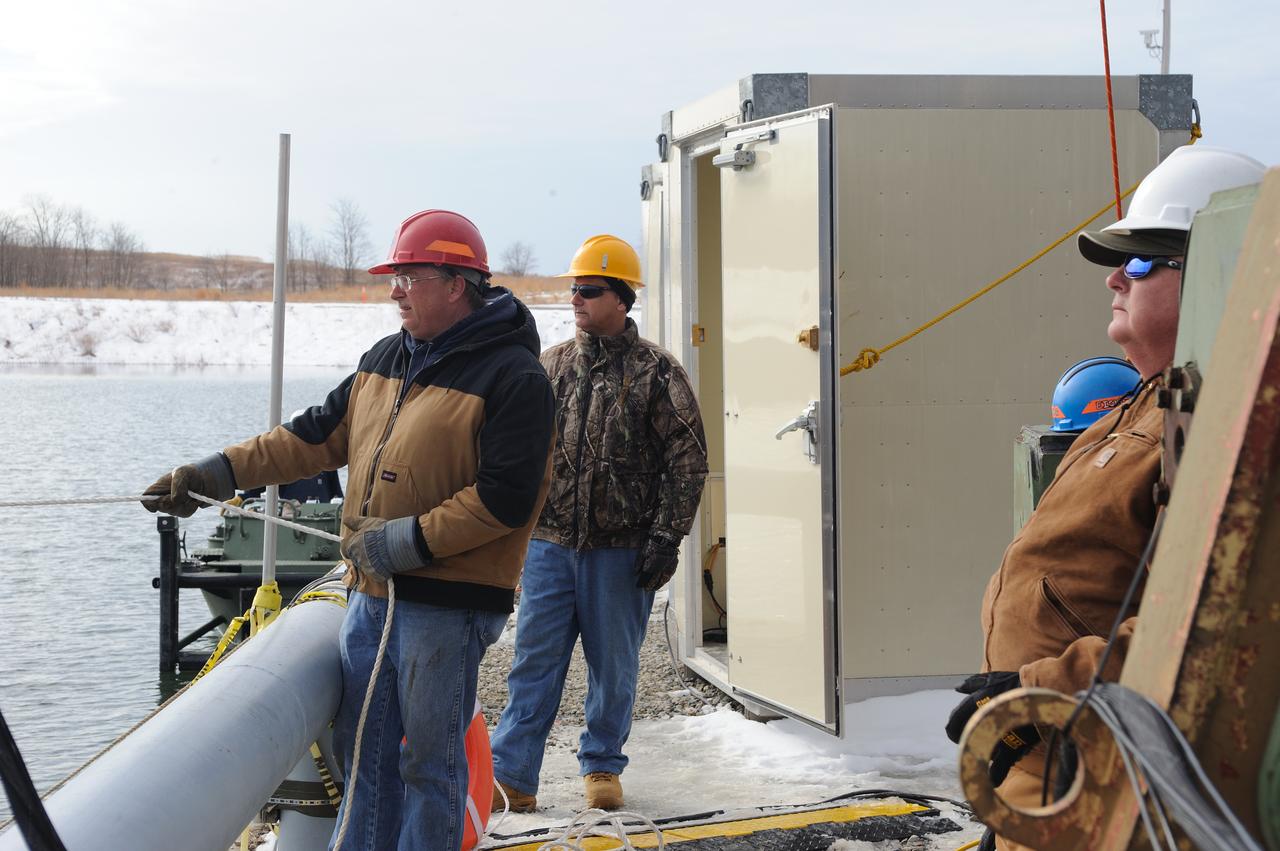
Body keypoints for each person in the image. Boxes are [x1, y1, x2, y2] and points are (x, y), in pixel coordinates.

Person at [142, 209, 555, 851]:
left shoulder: (515, 377)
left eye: (408, 277)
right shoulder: (386, 358)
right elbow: (314, 436)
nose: (394, 290)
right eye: (395, 277)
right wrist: (217, 473)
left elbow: (508, 499)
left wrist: (404, 542)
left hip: (445, 609)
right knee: (362, 752)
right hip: (372, 599)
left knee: (430, 767)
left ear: (455, 284)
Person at [944, 146, 1267, 850]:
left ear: (1224, 274)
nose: (1117, 277)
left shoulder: (1232, 423)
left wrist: (1045, 687)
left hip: (1104, 762)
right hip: (1052, 757)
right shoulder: (1158, 395)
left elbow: (1213, 625)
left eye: (1147, 259)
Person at [488, 234, 708, 813]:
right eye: (574, 289)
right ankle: (513, 773)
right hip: (549, 545)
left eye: (589, 290)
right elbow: (516, 451)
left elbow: (688, 460)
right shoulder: (550, 366)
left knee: (614, 668)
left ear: (622, 298)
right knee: (534, 661)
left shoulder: (659, 372)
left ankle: (602, 767)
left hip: (622, 550)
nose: (576, 300)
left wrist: (666, 537)